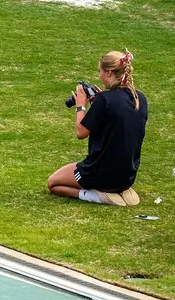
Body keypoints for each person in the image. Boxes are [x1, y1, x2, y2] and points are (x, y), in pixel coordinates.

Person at [47, 49, 148, 206]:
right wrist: (99, 104)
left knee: (53, 184)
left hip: (100, 174)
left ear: (108, 72)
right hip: (127, 175)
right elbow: (121, 122)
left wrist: (81, 106)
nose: (99, 76)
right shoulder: (139, 98)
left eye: (100, 71)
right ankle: (120, 191)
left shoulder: (105, 100)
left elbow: (81, 132)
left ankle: (96, 196)